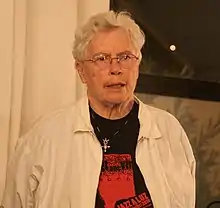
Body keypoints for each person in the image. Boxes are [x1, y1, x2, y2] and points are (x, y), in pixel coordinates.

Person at [1, 11, 196, 208]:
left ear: (138, 63)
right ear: (81, 71)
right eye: (102, 58)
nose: (115, 68)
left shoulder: (169, 131)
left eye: (125, 57)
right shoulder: (43, 138)